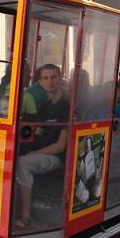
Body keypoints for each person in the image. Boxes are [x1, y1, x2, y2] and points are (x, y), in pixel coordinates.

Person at [15, 63, 69, 229]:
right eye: (45, 78)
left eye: (53, 77)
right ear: (40, 82)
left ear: (60, 79)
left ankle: (25, 215)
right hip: (41, 153)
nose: (50, 81)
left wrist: (33, 152)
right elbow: (35, 131)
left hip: (56, 157)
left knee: (23, 163)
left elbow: (60, 146)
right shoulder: (45, 106)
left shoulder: (67, 106)